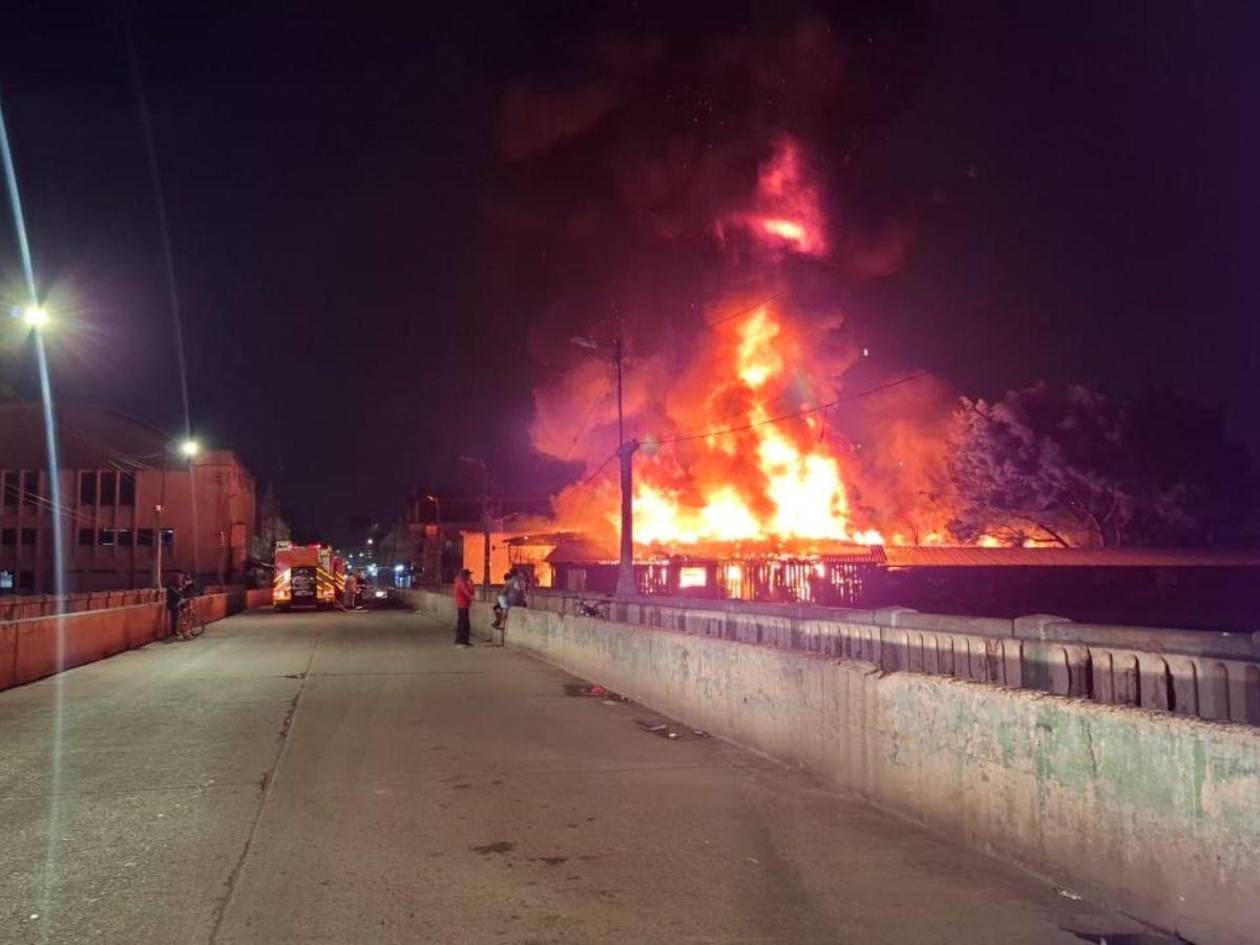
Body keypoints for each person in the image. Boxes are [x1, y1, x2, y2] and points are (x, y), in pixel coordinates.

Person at [453, 568, 475, 647]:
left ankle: (465, 641)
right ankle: (460, 641)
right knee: (462, 624)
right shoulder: (461, 582)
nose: (469, 576)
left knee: (466, 624)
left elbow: (471, 593)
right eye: (468, 575)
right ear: (465, 575)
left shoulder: (462, 582)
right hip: (462, 605)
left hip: (464, 605)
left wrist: (471, 585)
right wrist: (471, 584)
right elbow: (468, 593)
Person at [164, 573, 186, 639]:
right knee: (175, 619)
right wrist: (180, 591)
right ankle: (175, 633)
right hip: (174, 604)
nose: (181, 580)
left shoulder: (177, 586)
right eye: (179, 578)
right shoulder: (171, 587)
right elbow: (176, 595)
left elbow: (180, 594)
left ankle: (177, 631)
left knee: (178, 618)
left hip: (178, 604)